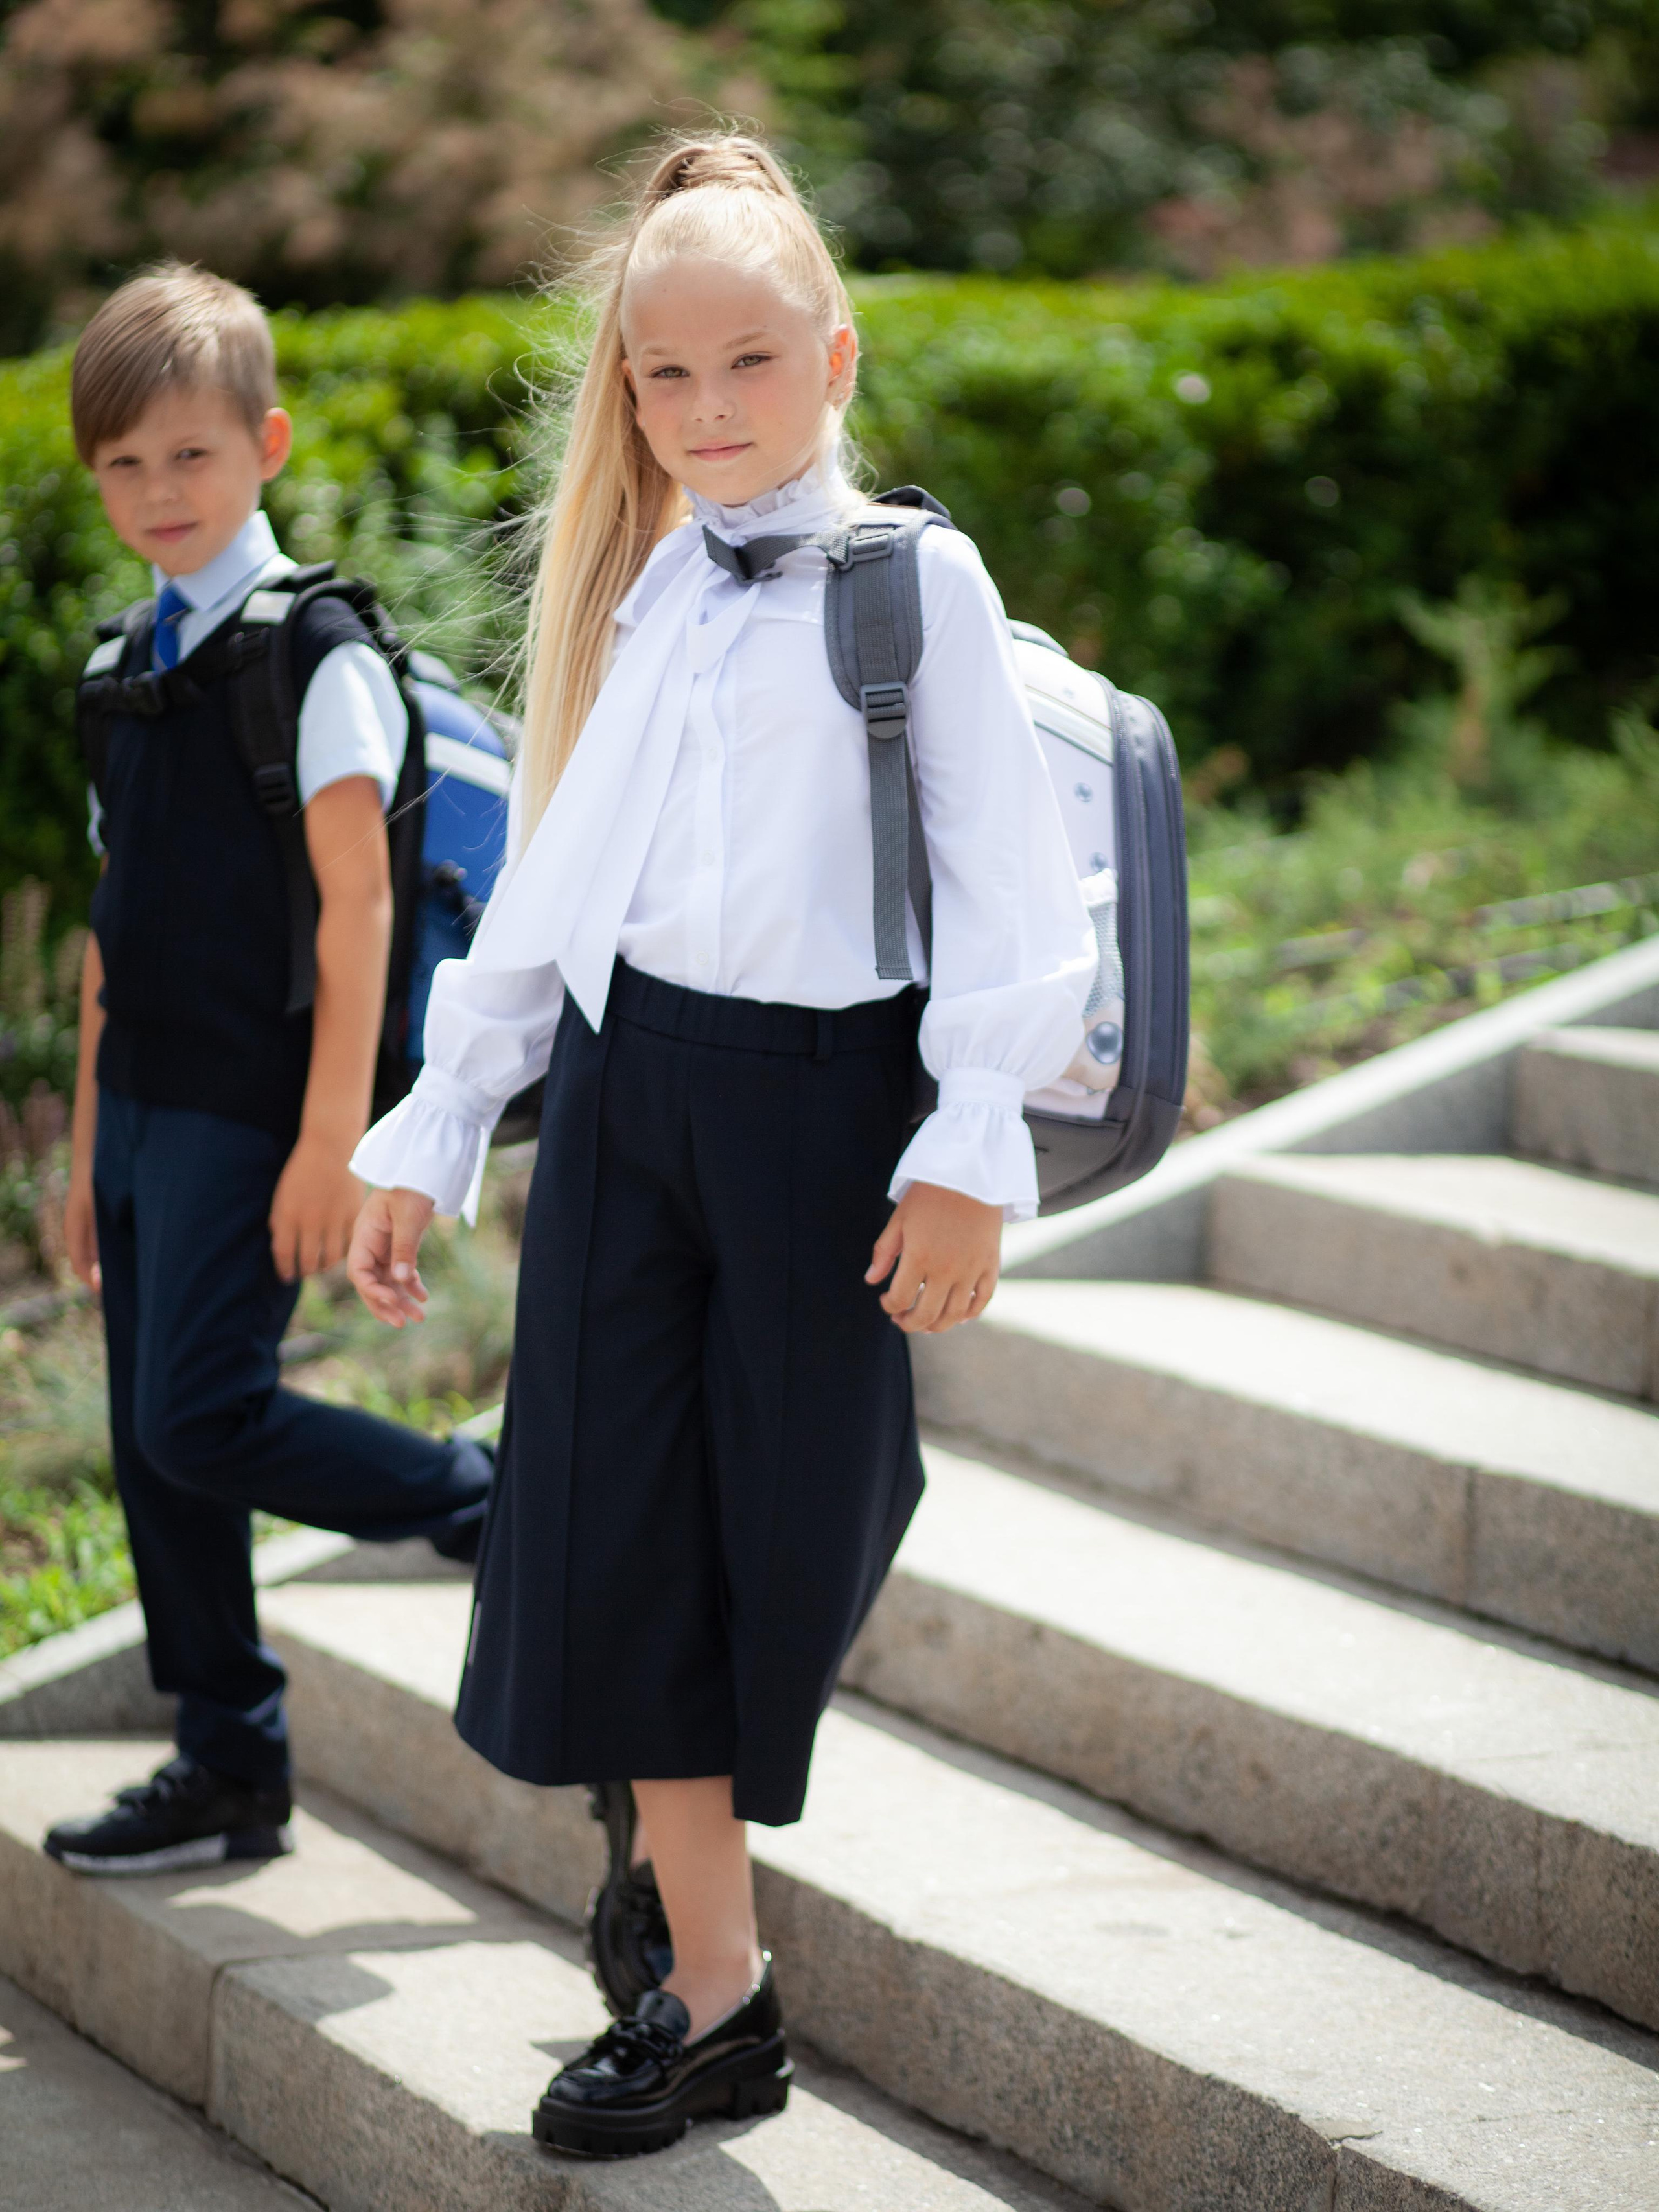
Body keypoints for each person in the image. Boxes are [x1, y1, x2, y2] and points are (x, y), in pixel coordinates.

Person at [347, 134, 1093, 2160]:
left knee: (789, 1523)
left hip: (819, 1114)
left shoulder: (909, 582)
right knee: (611, 1525)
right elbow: (560, 886)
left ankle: (671, 1876)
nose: (703, 412)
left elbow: (1021, 898)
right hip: (623, 1091)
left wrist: (967, 1149)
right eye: (660, 380)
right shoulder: (655, 574)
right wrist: (435, 1122)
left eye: (747, 363)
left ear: (836, 356)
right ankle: (711, 1988)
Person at [43, 264, 493, 1878]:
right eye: (125, 466)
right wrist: (86, 1156)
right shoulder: (117, 672)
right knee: (153, 1433)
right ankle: (226, 1757)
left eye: (192, 456)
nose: (159, 493)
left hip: (259, 1110)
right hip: (145, 1114)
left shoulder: (315, 653)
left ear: (267, 444)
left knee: (200, 1417)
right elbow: (113, 931)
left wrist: (333, 1145)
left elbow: (359, 904)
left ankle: (482, 1503)